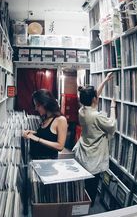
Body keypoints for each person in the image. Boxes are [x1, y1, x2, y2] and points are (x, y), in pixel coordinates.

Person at [73, 72, 116, 205]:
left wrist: (105, 80)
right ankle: (87, 206)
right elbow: (112, 125)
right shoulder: (96, 116)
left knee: (85, 182)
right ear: (94, 100)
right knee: (92, 184)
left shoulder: (82, 111)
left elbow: (95, 95)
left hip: (84, 152)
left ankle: (82, 200)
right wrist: (113, 106)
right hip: (94, 156)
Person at [23, 89, 68, 159]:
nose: (36, 109)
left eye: (38, 106)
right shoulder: (46, 117)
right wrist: (32, 133)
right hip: (37, 161)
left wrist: (37, 139)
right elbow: (48, 135)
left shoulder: (60, 120)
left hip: (47, 163)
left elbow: (60, 146)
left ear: (45, 103)